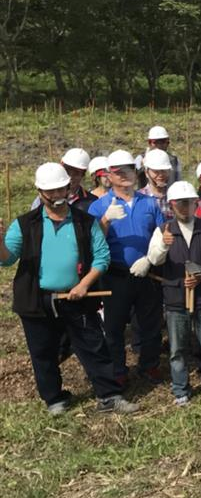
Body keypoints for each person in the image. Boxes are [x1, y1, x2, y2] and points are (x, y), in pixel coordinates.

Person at [0, 163, 138, 415]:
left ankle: (109, 396)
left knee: (94, 346)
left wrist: (84, 284)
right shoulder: (25, 224)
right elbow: (7, 259)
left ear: (68, 187)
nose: (55, 196)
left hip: (78, 298)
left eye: (59, 189)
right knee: (43, 351)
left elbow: (101, 257)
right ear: (40, 192)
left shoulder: (86, 222)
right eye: (49, 191)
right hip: (37, 300)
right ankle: (54, 399)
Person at [145, 181, 201, 405]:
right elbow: (154, 260)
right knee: (177, 349)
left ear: (195, 204)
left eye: (189, 203)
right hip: (175, 298)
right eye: (179, 203)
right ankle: (181, 390)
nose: (184, 207)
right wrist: (163, 244)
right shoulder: (163, 231)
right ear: (171, 205)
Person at [88, 149, 165, 385]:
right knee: (114, 326)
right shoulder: (99, 207)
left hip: (147, 272)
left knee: (150, 323)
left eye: (129, 170)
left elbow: (162, 235)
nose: (125, 175)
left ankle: (149, 366)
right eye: (119, 172)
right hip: (115, 274)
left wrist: (150, 259)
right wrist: (105, 222)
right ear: (109, 176)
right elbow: (91, 243)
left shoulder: (150, 203)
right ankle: (118, 370)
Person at [141, 148, 175, 221]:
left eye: (164, 171)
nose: (161, 175)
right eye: (156, 171)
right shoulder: (139, 198)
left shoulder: (175, 196)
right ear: (146, 173)